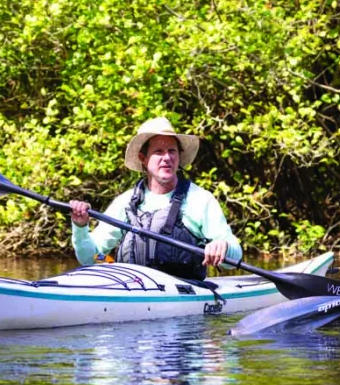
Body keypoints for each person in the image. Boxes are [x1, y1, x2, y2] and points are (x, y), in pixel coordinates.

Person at [68, 116, 241, 281]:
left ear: (179, 157)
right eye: (158, 151)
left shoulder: (200, 200)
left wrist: (223, 247)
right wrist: (80, 227)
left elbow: (235, 253)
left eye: (172, 151)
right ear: (143, 158)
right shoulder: (125, 203)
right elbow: (91, 257)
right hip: (133, 294)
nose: (167, 158)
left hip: (185, 295)